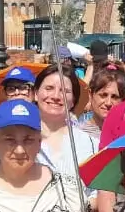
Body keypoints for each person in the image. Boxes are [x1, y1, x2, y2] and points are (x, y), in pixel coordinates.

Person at [34, 64, 98, 192]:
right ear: (36, 94)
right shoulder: (19, 140)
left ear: (73, 100)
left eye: (65, 91)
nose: (56, 96)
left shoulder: (90, 144)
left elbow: (96, 192)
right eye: (49, 88)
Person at [82, 65, 125, 138]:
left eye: (114, 97)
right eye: (103, 95)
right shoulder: (76, 135)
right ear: (90, 95)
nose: (108, 103)